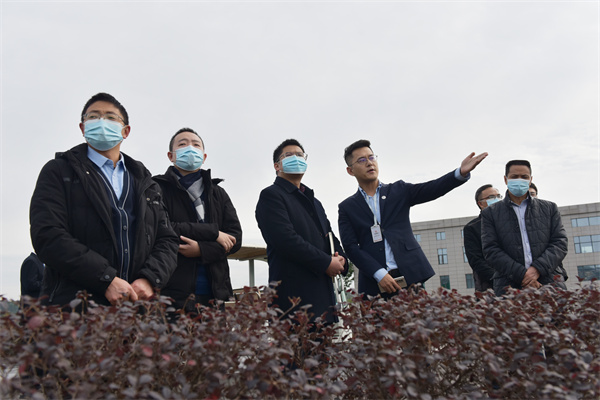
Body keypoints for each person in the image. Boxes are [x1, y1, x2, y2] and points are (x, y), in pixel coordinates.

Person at [30, 93, 179, 307]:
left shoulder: (145, 181)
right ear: (82, 128)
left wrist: (149, 278)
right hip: (75, 307)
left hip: (136, 306)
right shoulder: (59, 171)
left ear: (126, 131)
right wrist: (105, 279)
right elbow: (47, 234)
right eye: (93, 117)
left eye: (110, 117)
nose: (101, 122)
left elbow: (167, 238)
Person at [338, 139, 487, 296]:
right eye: (362, 160)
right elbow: (350, 247)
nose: (369, 163)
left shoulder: (398, 190)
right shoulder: (347, 207)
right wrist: (379, 273)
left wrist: (460, 173)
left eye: (371, 157)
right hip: (375, 284)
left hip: (411, 277)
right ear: (350, 170)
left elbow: (432, 188)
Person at [255, 139, 347, 324]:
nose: (296, 158)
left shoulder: (314, 201)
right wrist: (326, 262)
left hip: (324, 298)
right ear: (277, 166)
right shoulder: (271, 195)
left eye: (300, 155)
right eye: (289, 155)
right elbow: (285, 240)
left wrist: (341, 259)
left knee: (325, 342)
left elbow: (328, 235)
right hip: (293, 299)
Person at [153, 128, 242, 311]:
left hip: (216, 294)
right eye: (182, 144)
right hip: (171, 294)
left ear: (204, 156)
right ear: (171, 155)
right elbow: (163, 227)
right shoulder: (157, 188)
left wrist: (201, 249)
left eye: (196, 145)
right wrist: (214, 233)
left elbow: (235, 238)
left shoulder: (218, 193)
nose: (190, 148)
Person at [481, 160, 567, 296]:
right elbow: (491, 250)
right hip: (509, 286)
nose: (519, 180)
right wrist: (523, 275)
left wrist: (537, 270)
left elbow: (560, 243)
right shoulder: (490, 213)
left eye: (524, 177)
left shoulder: (549, 208)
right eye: (514, 177)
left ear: (530, 179)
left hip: (549, 282)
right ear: (505, 179)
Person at [463, 185, 502, 292]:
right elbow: (476, 261)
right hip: (489, 286)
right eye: (491, 197)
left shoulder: (511, 222)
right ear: (480, 203)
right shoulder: (472, 228)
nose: (497, 199)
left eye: (499, 196)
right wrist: (499, 279)